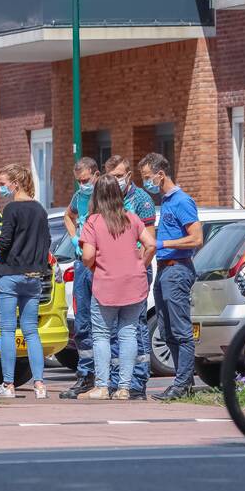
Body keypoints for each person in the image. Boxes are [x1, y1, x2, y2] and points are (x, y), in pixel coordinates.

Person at [79, 176, 156, 400]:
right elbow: (151, 244)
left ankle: (102, 386)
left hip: (106, 284)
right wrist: (141, 264)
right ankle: (124, 388)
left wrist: (94, 267)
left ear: (97, 195)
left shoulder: (93, 221)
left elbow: (88, 256)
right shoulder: (131, 218)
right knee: (129, 333)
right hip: (134, 283)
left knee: (101, 335)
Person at [140, 153, 202, 400]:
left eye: (148, 177)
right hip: (164, 269)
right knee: (166, 330)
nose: (146, 182)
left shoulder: (182, 201)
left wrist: (163, 243)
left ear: (161, 174)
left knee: (180, 329)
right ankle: (183, 381)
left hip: (177, 269)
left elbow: (196, 238)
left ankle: (183, 383)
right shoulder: (166, 201)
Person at [0, 164, 50, 399]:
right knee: (31, 331)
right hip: (34, 276)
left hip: (11, 273)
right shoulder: (39, 209)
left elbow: (4, 241)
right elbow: (46, 241)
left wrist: (0, 249)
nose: (1, 188)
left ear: (15, 183)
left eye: (4, 183)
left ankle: (8, 384)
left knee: (7, 330)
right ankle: (40, 384)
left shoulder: (11, 209)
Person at [104, 155, 157, 400]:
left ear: (128, 175)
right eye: (111, 176)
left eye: (118, 176)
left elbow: (150, 241)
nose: (115, 181)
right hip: (115, 272)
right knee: (115, 329)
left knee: (136, 325)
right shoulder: (108, 200)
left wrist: (139, 267)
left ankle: (137, 380)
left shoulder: (141, 200)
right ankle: (119, 381)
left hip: (136, 269)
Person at [60, 157, 100, 400]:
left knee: (104, 321)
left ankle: (108, 377)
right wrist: (75, 238)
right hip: (81, 262)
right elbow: (68, 216)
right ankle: (86, 375)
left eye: (86, 180)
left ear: (96, 175)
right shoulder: (79, 197)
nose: (83, 184)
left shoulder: (104, 195)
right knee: (83, 322)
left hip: (100, 263)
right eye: (79, 181)